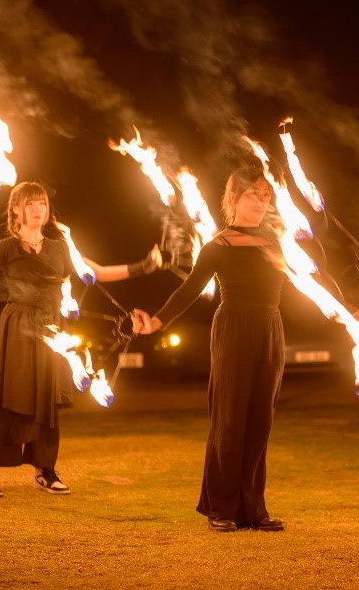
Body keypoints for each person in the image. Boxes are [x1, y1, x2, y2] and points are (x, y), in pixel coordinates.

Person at [0, 180, 161, 498]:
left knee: (47, 397)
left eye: (43, 204)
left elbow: (100, 272)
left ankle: (44, 469)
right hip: (19, 326)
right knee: (6, 398)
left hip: (55, 327)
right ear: (17, 211)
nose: (38, 209)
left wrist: (144, 266)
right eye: (31, 203)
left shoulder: (61, 248)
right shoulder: (6, 247)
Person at [131, 162, 288, 533]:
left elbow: (317, 273)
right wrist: (156, 321)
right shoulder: (218, 244)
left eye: (266, 195)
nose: (261, 201)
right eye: (253, 194)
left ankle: (253, 508)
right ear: (234, 198)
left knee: (260, 421)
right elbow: (189, 289)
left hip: (271, 326)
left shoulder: (278, 241)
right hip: (234, 325)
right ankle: (221, 507)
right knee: (230, 419)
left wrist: (350, 308)